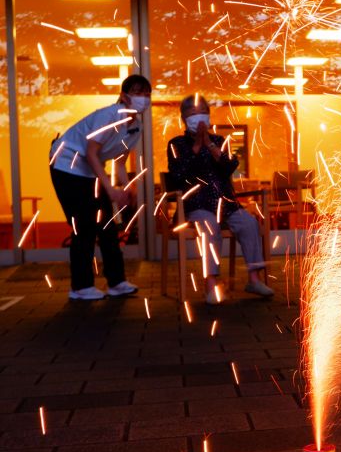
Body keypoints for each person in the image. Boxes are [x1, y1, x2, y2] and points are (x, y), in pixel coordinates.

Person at [49, 74, 152, 301]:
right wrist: (110, 188)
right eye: (137, 93)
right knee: (84, 224)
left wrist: (129, 187)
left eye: (147, 94)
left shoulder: (136, 126)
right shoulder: (110, 116)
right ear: (124, 97)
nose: (143, 99)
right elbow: (92, 153)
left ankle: (117, 282)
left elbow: (121, 162)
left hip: (89, 170)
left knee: (107, 224)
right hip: (66, 164)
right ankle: (80, 287)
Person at [167, 94, 274, 304]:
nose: (198, 118)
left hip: (226, 203)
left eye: (202, 113)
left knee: (249, 223)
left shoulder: (219, 141)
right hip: (196, 204)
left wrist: (208, 144)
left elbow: (230, 167)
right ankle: (211, 285)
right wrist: (197, 146)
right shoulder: (177, 144)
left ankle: (254, 278)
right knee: (209, 228)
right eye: (193, 114)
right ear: (183, 118)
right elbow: (179, 176)